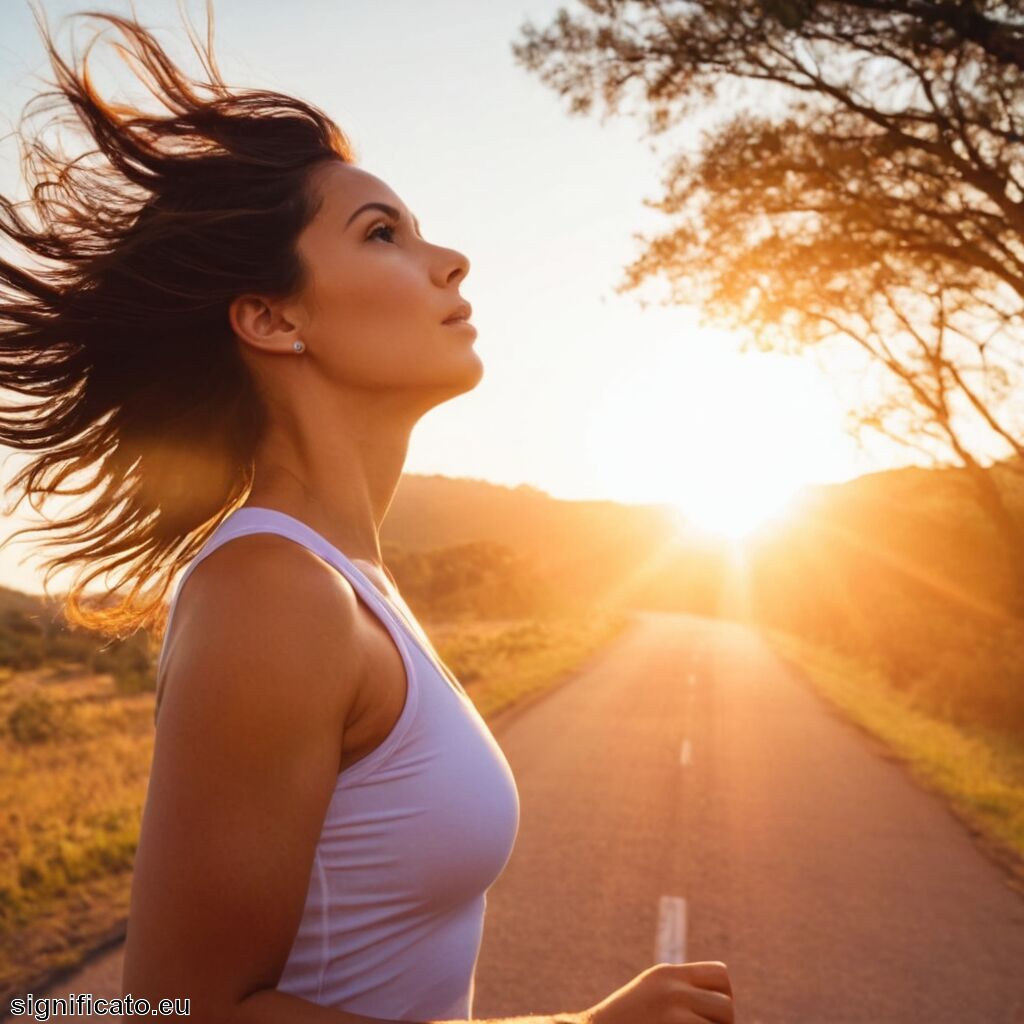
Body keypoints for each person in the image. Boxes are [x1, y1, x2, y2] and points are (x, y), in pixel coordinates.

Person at [0, 5, 735, 1023]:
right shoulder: (272, 593)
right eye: (383, 233)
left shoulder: (349, 583)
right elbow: (183, 1010)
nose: (452, 259)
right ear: (273, 317)